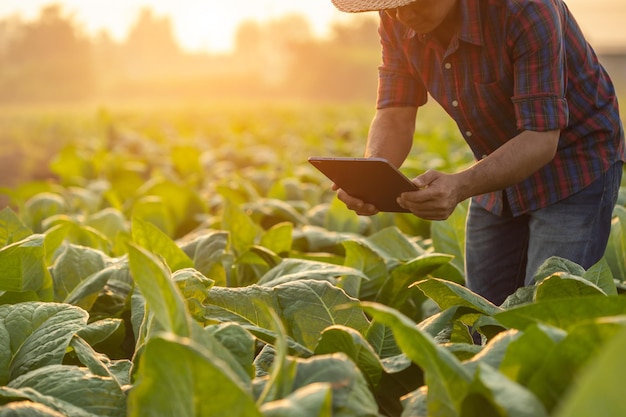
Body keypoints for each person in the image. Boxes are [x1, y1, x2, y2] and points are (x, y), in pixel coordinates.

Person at [329, 0, 626, 305]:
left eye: (415, 1)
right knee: (481, 310)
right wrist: (372, 176)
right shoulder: (396, 17)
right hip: (496, 161)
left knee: (549, 308)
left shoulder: (525, 8)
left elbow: (541, 138)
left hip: (575, 165)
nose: (404, 15)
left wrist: (459, 186)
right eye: (393, 6)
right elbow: (395, 114)